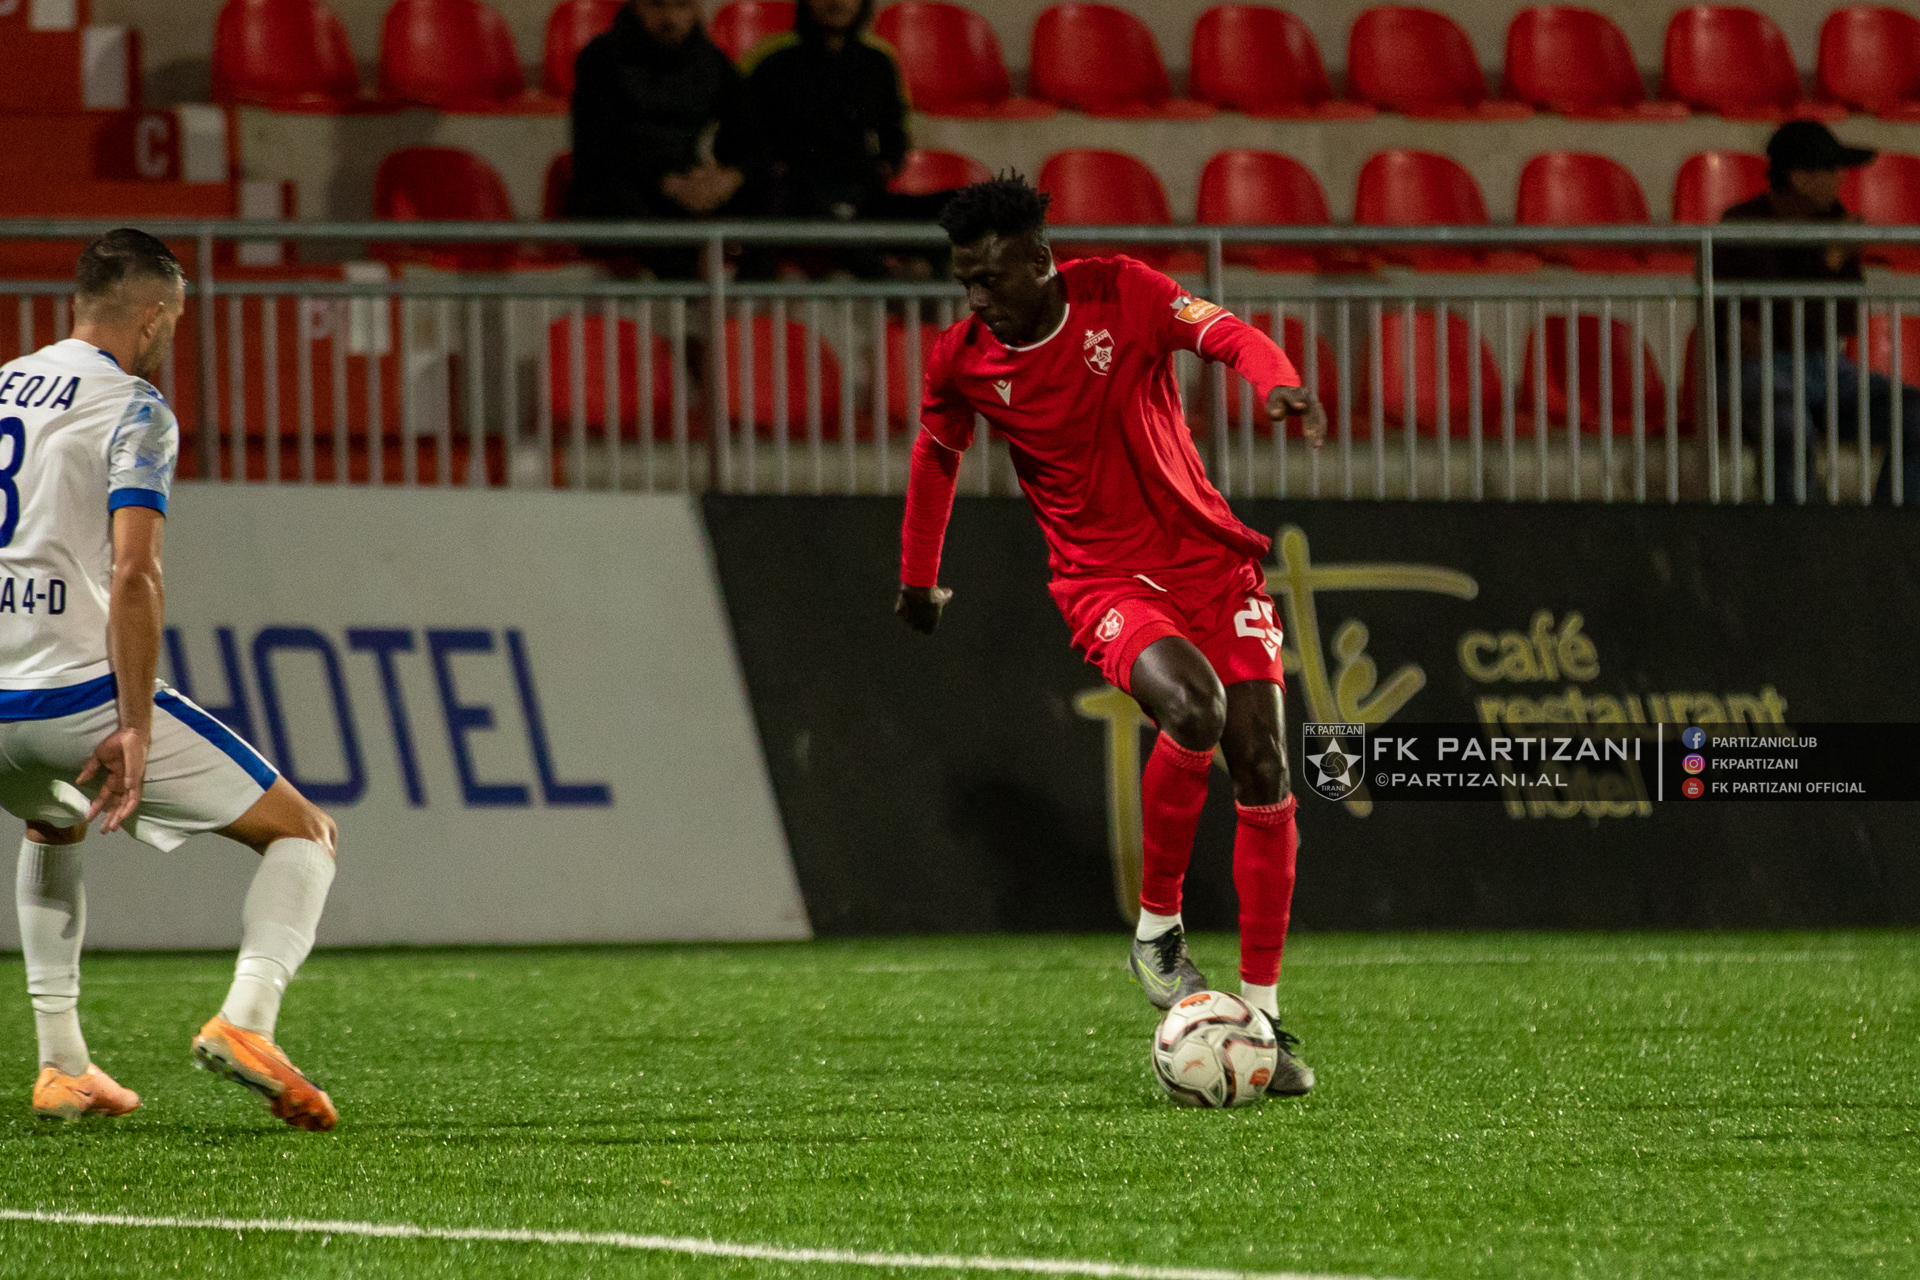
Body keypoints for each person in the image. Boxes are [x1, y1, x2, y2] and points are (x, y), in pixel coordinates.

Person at [894, 177, 1327, 1097]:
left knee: (1265, 767)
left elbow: (1225, 333)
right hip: (1103, 579)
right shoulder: (961, 360)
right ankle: (1158, 930)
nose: (975, 298)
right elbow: (936, 456)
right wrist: (918, 575)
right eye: (963, 280)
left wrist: (1278, 382)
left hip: (1211, 562)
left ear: (1040, 261)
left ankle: (1263, 1018)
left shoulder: (1120, 292)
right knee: (1196, 709)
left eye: (990, 277)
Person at [5, 229, 339, 1130]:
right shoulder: (135, 409)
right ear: (152, 317)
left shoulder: (3, 384)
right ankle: (247, 1021)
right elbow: (135, 573)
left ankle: (63, 1065)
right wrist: (136, 724)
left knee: (53, 816)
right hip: (72, 696)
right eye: (176, 323)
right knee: (304, 833)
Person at [1715, 120, 1920, 505]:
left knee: (1913, 415)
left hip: (1825, 365)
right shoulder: (1744, 225)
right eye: (1831, 169)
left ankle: (1889, 529)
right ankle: (1796, 533)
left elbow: (1842, 319)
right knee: (1788, 423)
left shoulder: (1835, 223)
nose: (1841, 179)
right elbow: (1770, 321)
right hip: (1759, 366)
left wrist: (1830, 264)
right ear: (1800, 178)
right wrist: (1828, 261)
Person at [744, 0, 951, 276]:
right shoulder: (773, 62)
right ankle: (886, 279)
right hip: (796, 198)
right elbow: (748, 137)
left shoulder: (877, 63)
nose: (837, 2)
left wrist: (883, 167)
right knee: (771, 206)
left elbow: (894, 136)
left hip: (863, 195)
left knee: (961, 205)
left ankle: (923, 273)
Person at [568, 0, 761, 277]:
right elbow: (597, 151)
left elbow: (750, 136)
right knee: (631, 208)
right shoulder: (600, 60)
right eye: (657, 5)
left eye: (681, 6)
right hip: (622, 189)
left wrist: (728, 178)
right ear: (637, 6)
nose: (670, 18)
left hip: (688, 184)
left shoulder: (710, 61)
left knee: (769, 195)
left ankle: (757, 298)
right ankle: (690, 294)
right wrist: (667, 183)